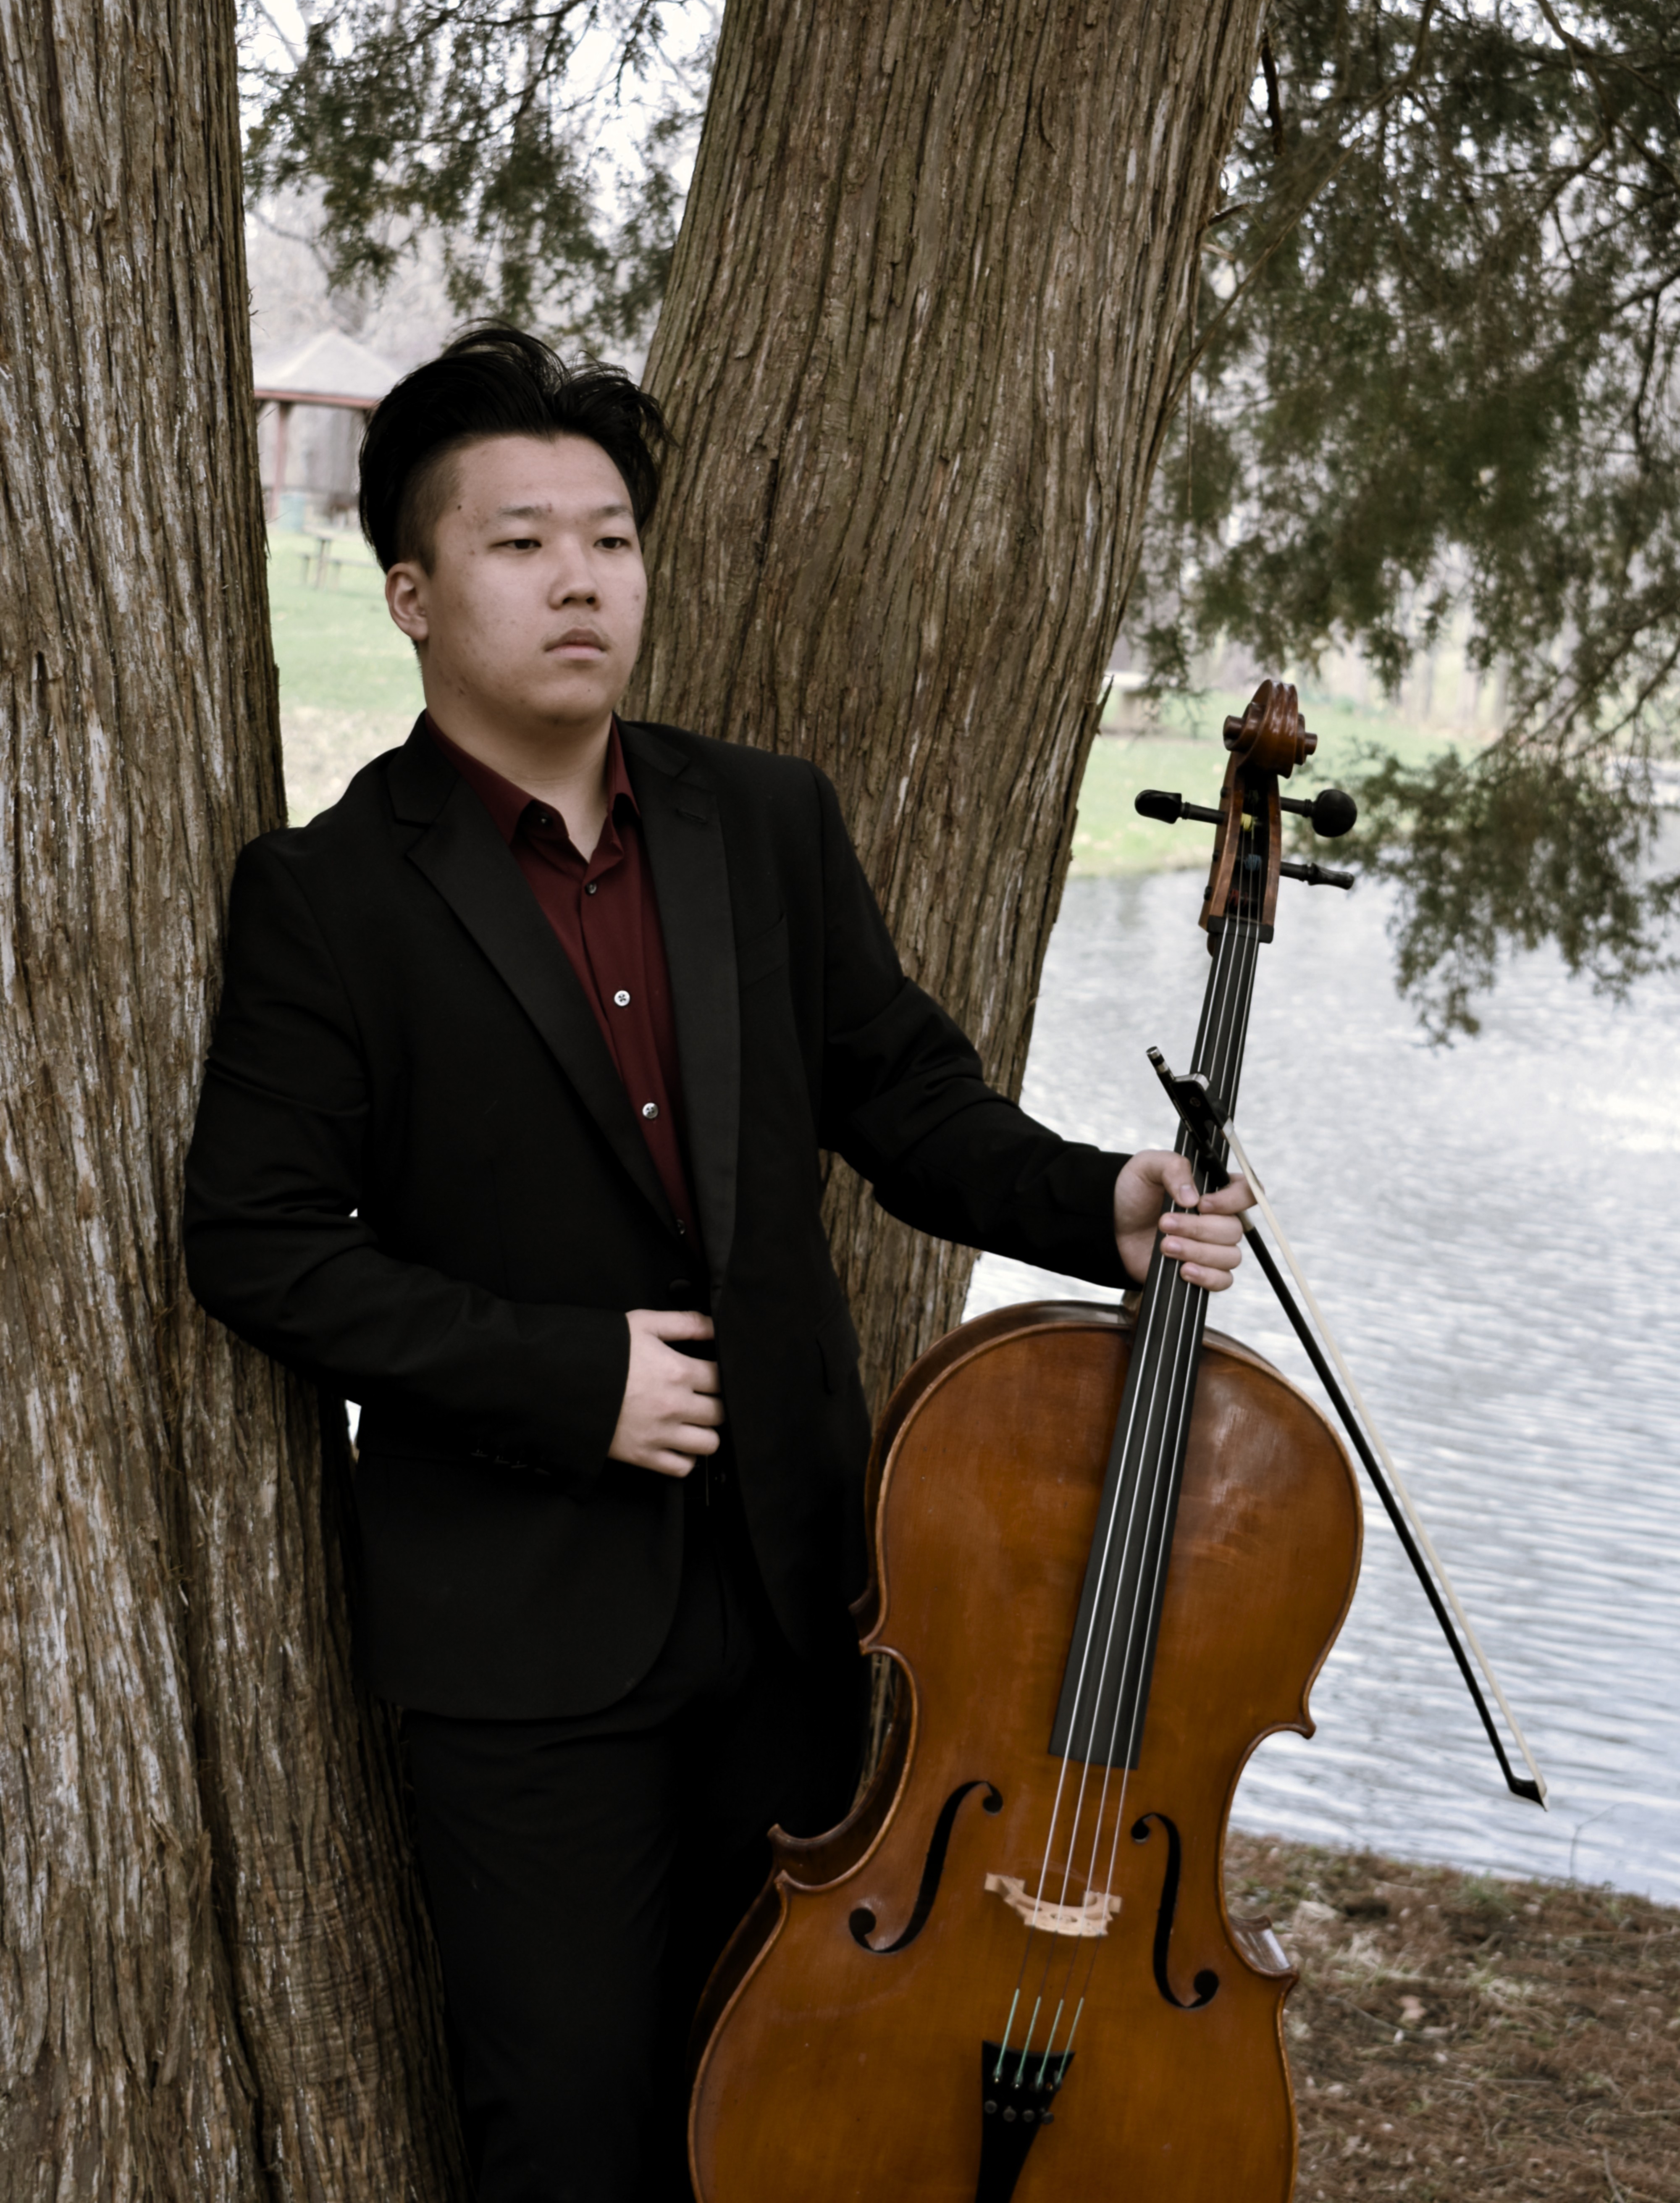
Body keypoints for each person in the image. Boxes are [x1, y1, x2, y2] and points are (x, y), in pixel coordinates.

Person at [184, 326, 1250, 2203]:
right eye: (521, 544)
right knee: (574, 2130)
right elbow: (259, 1244)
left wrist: (1106, 1200)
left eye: (609, 536)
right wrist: (564, 1375)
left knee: (786, 2106)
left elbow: (901, 1098)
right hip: (519, 1646)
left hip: (797, 1599)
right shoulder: (330, 894)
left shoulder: (763, 820)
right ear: (416, 594)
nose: (582, 578)